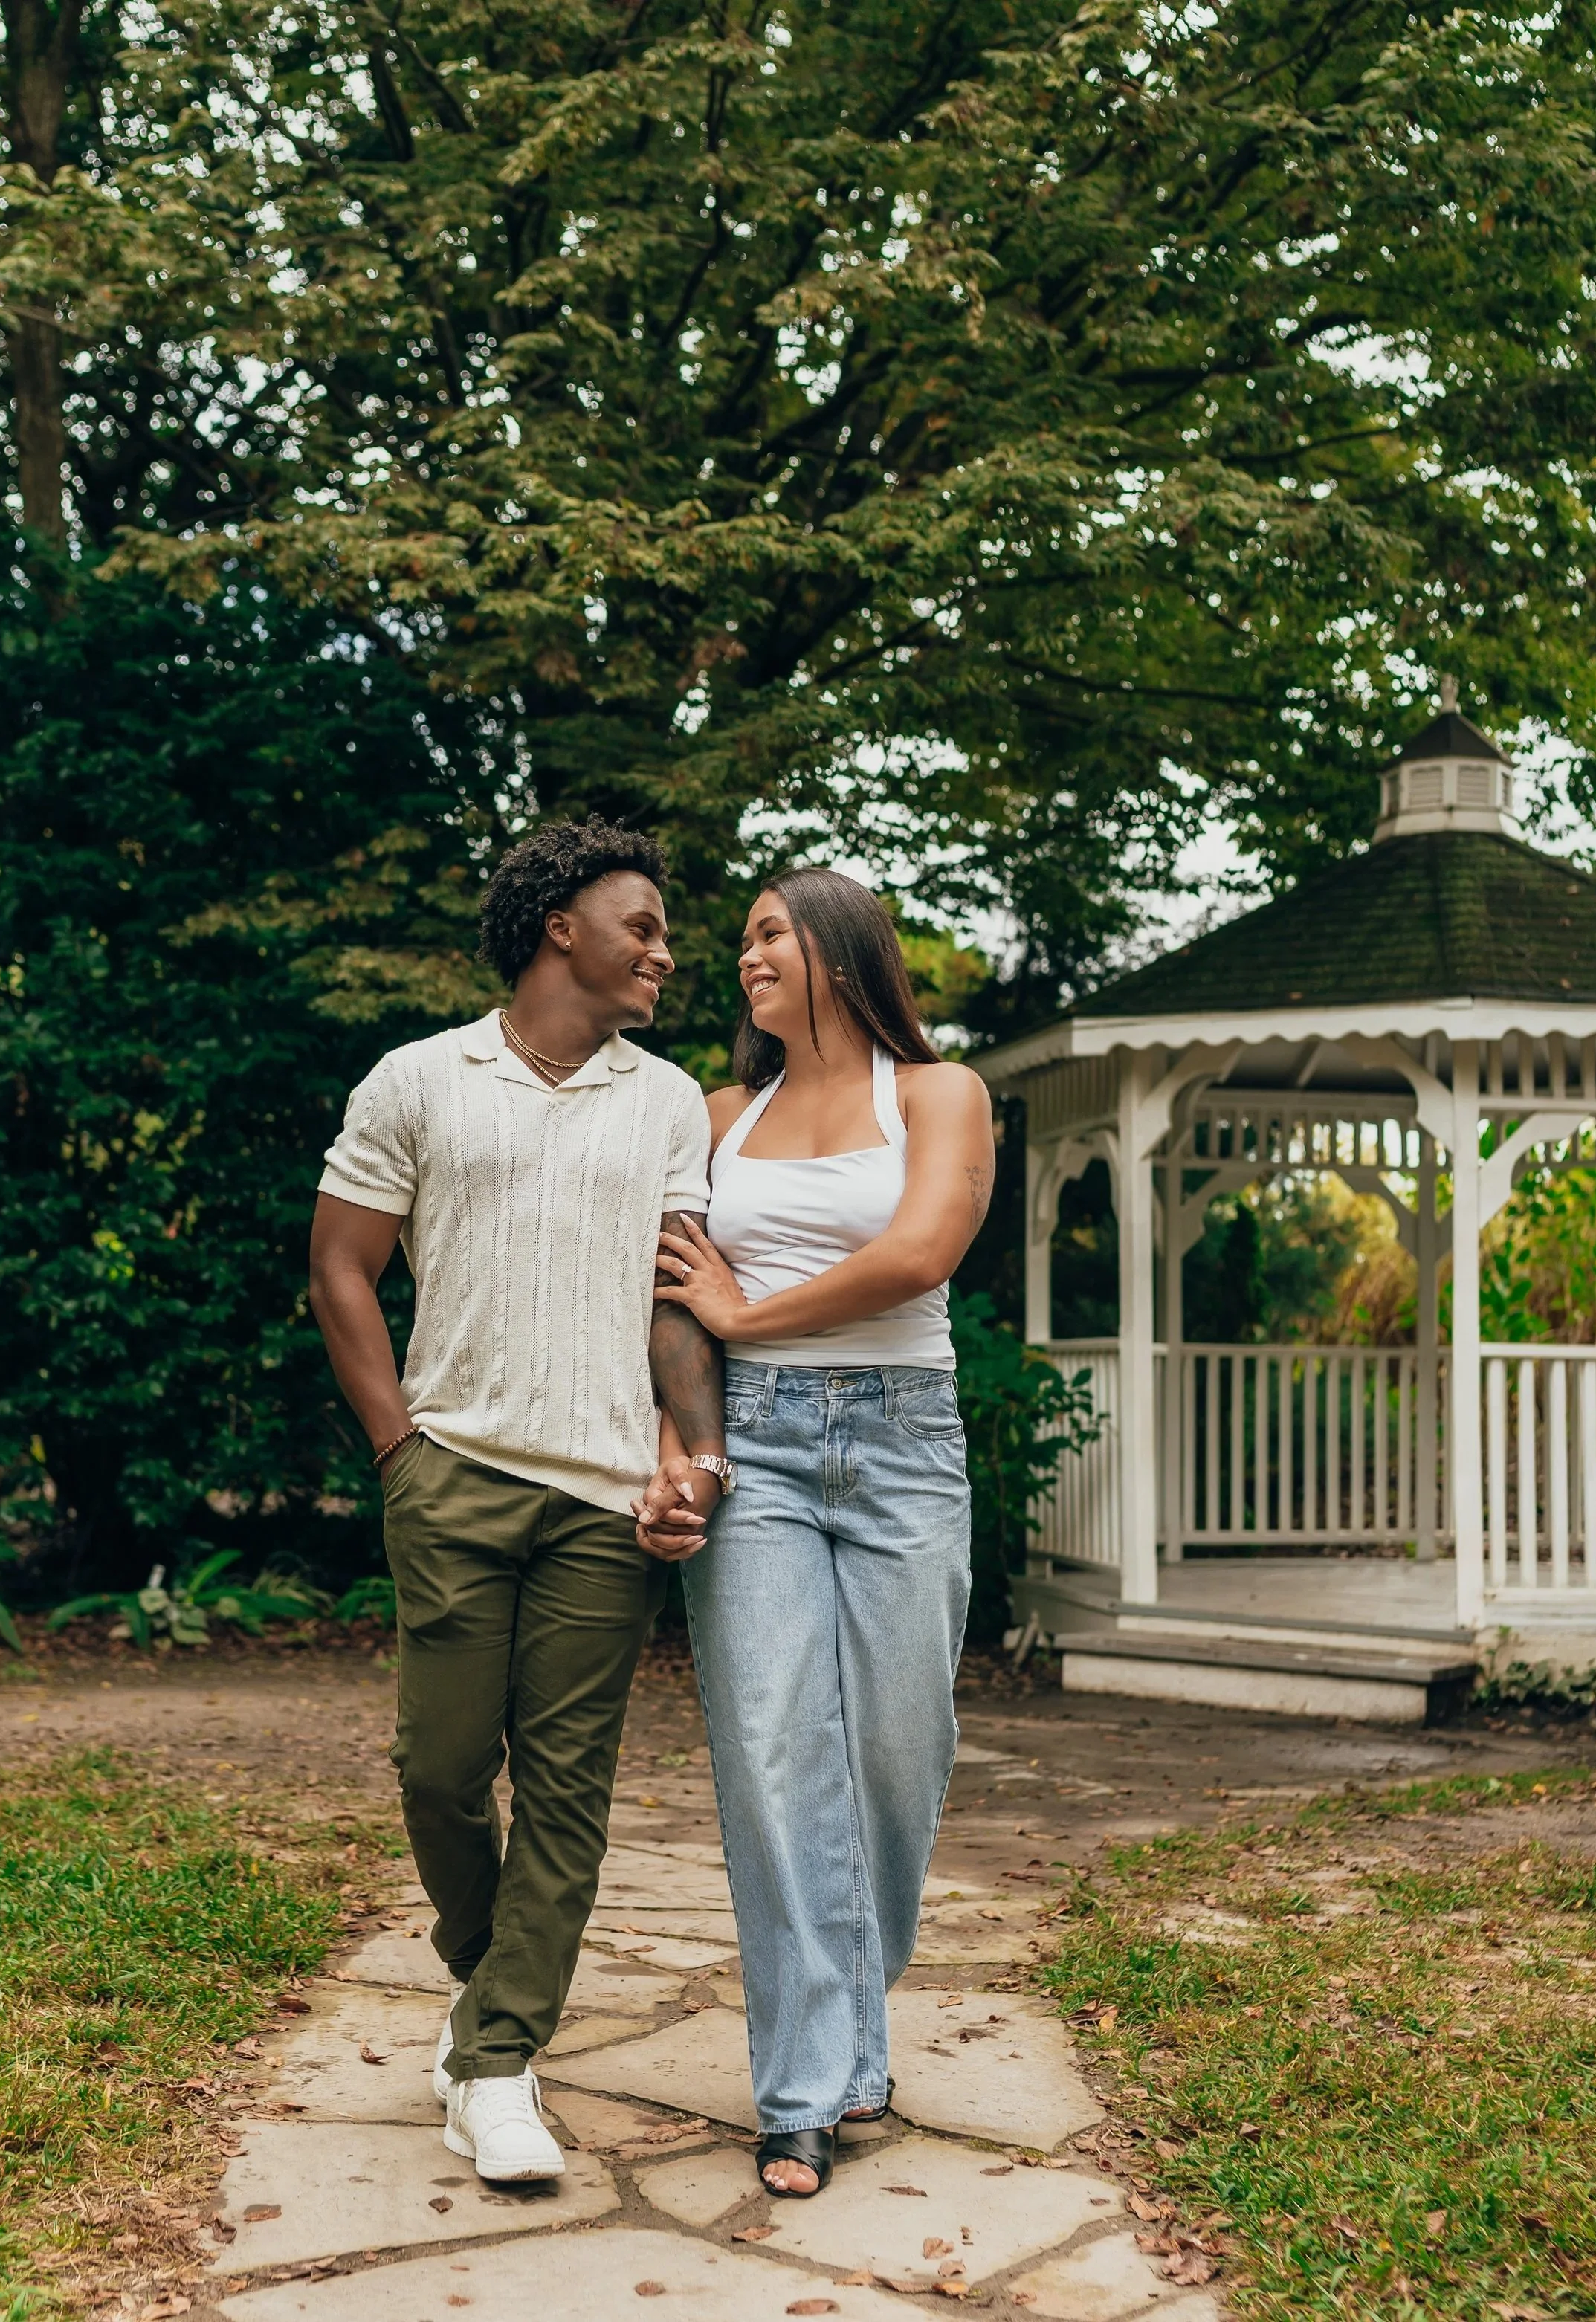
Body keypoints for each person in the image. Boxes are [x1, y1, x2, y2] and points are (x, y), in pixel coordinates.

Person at [308, 818, 726, 2185]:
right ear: (561, 926)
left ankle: (496, 2064)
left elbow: (677, 1295)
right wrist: (399, 1451)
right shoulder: (421, 1079)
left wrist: (688, 1451)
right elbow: (342, 1267)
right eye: (642, 927)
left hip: (605, 1504)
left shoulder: (669, 1101)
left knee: (565, 1793)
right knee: (437, 1769)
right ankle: (489, 1980)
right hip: (456, 1478)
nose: (664, 953)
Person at [641, 867, 995, 2199]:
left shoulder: (940, 1095)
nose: (746, 957)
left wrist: (748, 1315)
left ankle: (849, 2015)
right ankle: (802, 2092)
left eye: (771, 934)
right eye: (741, 941)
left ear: (844, 952)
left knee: (901, 1751)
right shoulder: (719, 1116)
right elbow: (673, 1299)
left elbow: (920, 1254)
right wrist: (681, 1451)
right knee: (773, 1757)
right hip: (757, 1448)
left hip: (905, 1442)